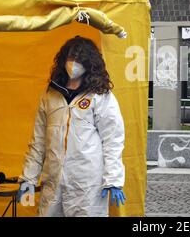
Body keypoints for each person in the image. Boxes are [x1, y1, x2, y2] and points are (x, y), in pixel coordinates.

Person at [18, 36, 126, 217]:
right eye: (70, 58)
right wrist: (28, 177)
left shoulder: (99, 96)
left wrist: (113, 179)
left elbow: (113, 139)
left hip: (86, 186)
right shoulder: (50, 95)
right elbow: (38, 142)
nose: (73, 63)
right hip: (53, 183)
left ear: (88, 63)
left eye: (78, 59)